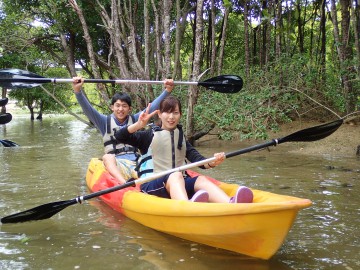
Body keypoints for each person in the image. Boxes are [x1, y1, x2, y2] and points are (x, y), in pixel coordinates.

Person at [114, 96, 253, 203]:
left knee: (201, 180)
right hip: (151, 185)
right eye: (167, 113)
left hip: (177, 183)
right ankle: (187, 208)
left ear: (180, 114)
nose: (171, 117)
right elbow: (119, 136)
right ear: (160, 114)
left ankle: (230, 203)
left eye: (175, 112)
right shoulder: (148, 135)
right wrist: (138, 125)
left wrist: (213, 161)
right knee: (175, 175)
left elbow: (198, 160)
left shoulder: (180, 137)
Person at [72, 77, 174, 185]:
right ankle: (124, 184)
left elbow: (152, 108)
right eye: (118, 106)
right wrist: (78, 91)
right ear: (112, 107)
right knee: (107, 157)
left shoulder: (136, 119)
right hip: (117, 164)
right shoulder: (103, 122)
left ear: (129, 109)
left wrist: (167, 90)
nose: (121, 109)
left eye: (124, 106)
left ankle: (161, 183)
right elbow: (88, 109)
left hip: (136, 162)